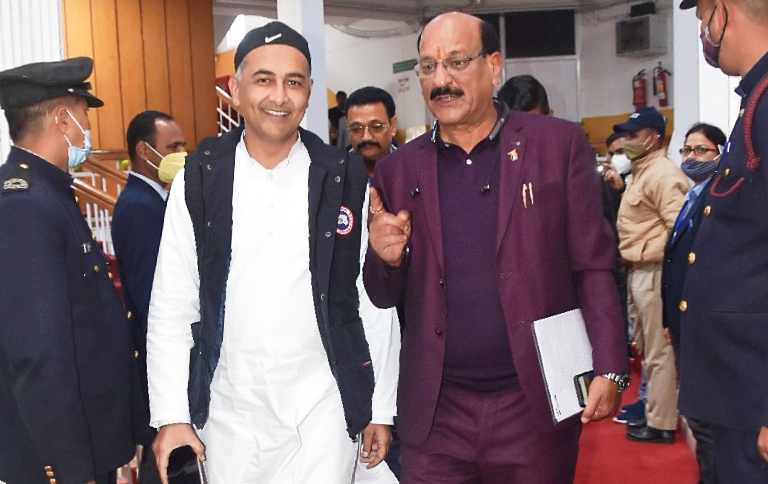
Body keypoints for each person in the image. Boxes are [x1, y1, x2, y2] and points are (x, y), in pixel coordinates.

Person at [363, 12, 628, 483]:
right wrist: (386, 259)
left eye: (457, 62)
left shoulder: (557, 146)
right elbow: (383, 295)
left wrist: (609, 365)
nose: (441, 80)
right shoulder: (398, 171)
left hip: (533, 404)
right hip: (436, 412)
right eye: (428, 67)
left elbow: (593, 265)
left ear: (494, 65)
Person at [146, 22, 400, 484]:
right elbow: (172, 303)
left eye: (294, 82)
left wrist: (380, 407)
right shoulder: (199, 180)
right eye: (264, 79)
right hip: (228, 415)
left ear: (309, 93)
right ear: (235, 88)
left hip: (323, 408)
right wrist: (171, 414)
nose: (279, 97)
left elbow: (369, 301)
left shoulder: (344, 178)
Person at [0, 57, 146, 484]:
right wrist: (67, 469)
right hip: (66, 459)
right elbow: (38, 355)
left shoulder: (50, 192)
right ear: (63, 120)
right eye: (85, 116)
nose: (87, 129)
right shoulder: (25, 205)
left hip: (89, 440)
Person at [678, 0, 768, 479]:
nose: (705, 33)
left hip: (754, 391)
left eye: (703, 18)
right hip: (739, 385)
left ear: (724, 11)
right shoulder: (755, 99)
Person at [111, 110, 187, 484]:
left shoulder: (157, 200)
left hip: (168, 358)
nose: (182, 154)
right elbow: (151, 296)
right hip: (161, 359)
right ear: (145, 151)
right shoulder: (139, 208)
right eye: (173, 147)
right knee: (168, 460)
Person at [613, 106, 689, 444]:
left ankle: (662, 424)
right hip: (639, 271)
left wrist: (656, 260)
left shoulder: (662, 173)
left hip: (656, 271)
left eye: (634, 135)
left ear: (653, 138)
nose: (627, 141)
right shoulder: (642, 172)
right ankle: (654, 410)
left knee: (659, 351)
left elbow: (680, 229)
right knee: (646, 347)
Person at [662, 123, 725, 484]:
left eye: (701, 150)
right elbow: (675, 262)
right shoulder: (693, 197)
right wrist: (670, 320)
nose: (691, 157)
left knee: (707, 419)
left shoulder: (718, 200)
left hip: (704, 327)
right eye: (686, 150)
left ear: (721, 153)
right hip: (684, 324)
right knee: (698, 413)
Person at [346, 86, 398, 176]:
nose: (366, 137)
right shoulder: (334, 173)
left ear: (392, 126)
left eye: (376, 126)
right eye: (356, 129)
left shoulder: (414, 165)